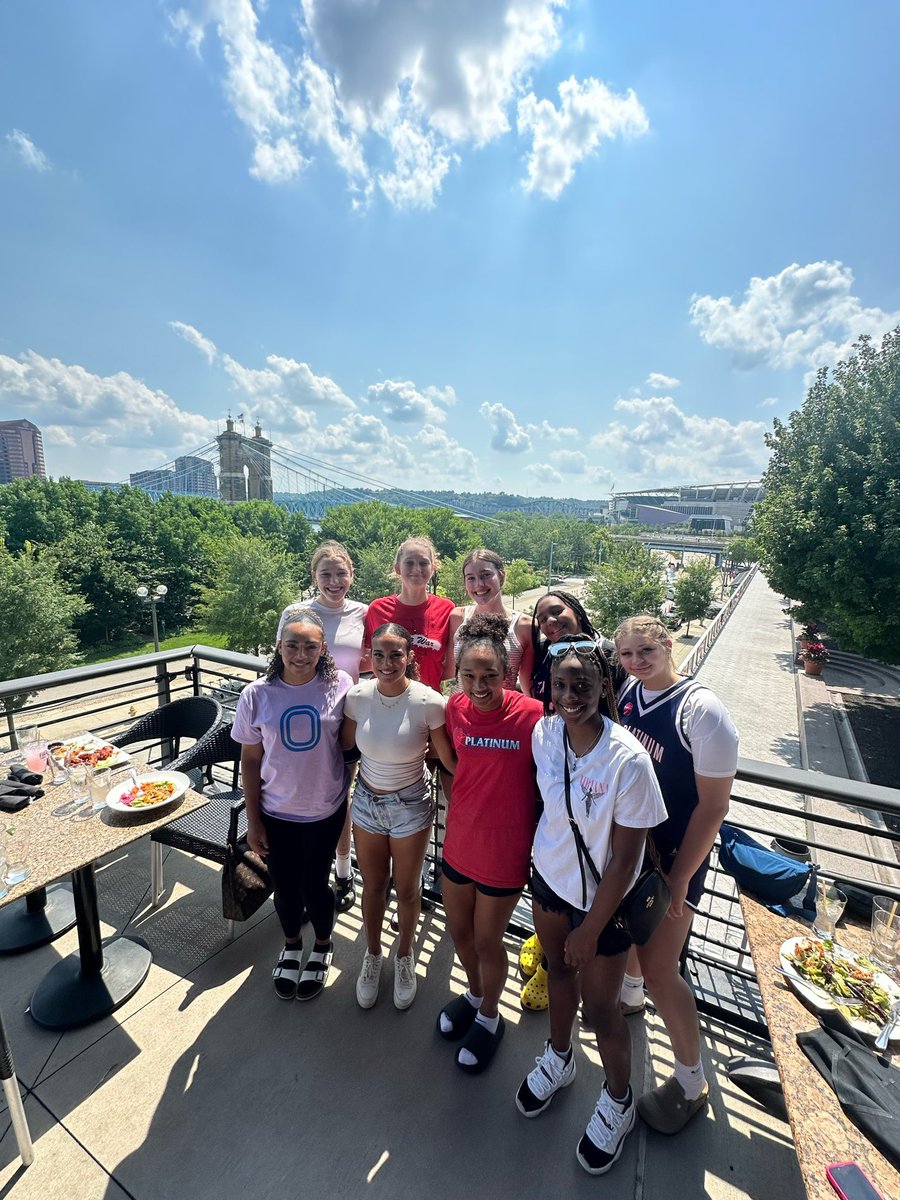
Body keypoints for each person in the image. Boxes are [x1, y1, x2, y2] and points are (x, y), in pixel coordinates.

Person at [515, 637, 666, 1175]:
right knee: (557, 972)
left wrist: (591, 928)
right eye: (560, 685)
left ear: (605, 687)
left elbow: (625, 862)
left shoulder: (628, 760)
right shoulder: (544, 734)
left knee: (602, 1009)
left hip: (606, 905)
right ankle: (558, 1058)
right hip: (550, 882)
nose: (570, 695)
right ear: (549, 690)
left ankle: (619, 1101)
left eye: (582, 685)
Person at [613, 614, 738, 1135]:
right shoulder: (629, 693)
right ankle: (629, 997)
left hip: (672, 859)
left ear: (668, 643)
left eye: (646, 650)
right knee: (636, 946)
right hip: (634, 850)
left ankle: (691, 1082)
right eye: (627, 654)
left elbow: (713, 809)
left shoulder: (701, 711)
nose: (637, 662)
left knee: (666, 969)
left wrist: (683, 877)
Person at [437, 614, 543, 1073]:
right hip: (459, 841)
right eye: (469, 676)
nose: (479, 686)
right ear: (457, 674)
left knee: (487, 941)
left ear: (507, 674)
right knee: (459, 933)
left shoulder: (533, 715)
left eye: (490, 676)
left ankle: (490, 1016)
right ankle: (475, 992)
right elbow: (449, 765)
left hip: (505, 851)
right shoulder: (453, 708)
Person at [232, 606, 352, 1002]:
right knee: (284, 888)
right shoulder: (256, 695)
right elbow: (250, 760)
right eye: (292, 645)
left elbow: (350, 746)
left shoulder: (341, 686)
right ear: (279, 647)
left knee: (315, 885)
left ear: (323, 649)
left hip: (324, 810)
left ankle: (321, 945)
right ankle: (290, 944)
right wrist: (254, 819)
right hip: (275, 812)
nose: (301, 654)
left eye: (310, 646)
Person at [342, 623, 455, 1011]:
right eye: (379, 654)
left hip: (410, 805)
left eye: (395, 654)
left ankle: (403, 955)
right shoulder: (356, 696)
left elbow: (447, 758)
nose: (386, 662)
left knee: (407, 889)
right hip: (367, 803)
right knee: (372, 887)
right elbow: (344, 748)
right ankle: (372, 954)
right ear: (369, 657)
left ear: (410, 657)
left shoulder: (428, 702)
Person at [520, 590, 617, 1010]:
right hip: (554, 770)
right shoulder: (545, 660)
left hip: (596, 775)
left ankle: (563, 964)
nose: (549, 621)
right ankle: (546, 942)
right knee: (552, 855)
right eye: (541, 617)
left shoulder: (608, 655)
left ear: (576, 610)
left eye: (556, 611)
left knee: (590, 865)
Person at [308, 540, 370, 913]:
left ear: (351, 575)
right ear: (314, 576)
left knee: (341, 798)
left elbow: (379, 657)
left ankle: (343, 872)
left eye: (341, 573)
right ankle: (313, 870)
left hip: (346, 719)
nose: (334, 581)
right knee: (310, 797)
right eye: (326, 574)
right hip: (304, 721)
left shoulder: (364, 612)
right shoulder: (297, 612)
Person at [364, 536, 455, 692]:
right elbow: (369, 659)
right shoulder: (377, 609)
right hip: (384, 698)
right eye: (409, 563)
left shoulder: (447, 609)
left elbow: (450, 667)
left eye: (424, 563)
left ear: (433, 568)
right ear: (398, 568)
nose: (417, 569)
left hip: (428, 702)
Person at [445, 549, 534, 691]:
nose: (478, 584)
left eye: (486, 575)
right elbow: (448, 674)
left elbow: (528, 686)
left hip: (503, 712)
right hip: (459, 709)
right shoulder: (457, 617)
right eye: (471, 578)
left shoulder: (523, 626)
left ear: (501, 576)